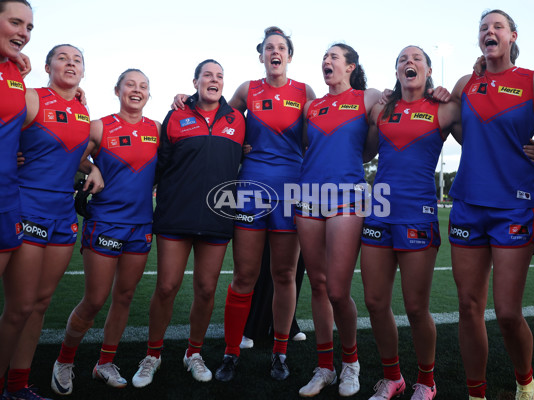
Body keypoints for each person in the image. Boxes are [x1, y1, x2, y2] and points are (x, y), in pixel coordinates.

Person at [447, 9, 534, 400]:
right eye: (483, 27)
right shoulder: (466, 83)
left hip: (514, 206)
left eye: (497, 26)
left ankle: (524, 378)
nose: (489, 31)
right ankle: (475, 392)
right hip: (467, 204)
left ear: (513, 35)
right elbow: (460, 131)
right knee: (468, 307)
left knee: (509, 313)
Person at [131, 59, 245, 388]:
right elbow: (159, 164)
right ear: (195, 82)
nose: (214, 80)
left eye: (220, 76)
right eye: (207, 75)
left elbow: (248, 155)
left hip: (218, 216)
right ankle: (153, 354)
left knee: (207, 289)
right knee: (166, 287)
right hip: (175, 214)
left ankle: (193, 353)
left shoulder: (238, 120)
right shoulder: (176, 115)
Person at [213, 26, 316, 383]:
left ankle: (280, 351)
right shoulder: (247, 89)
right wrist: (187, 98)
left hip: (291, 191)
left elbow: (317, 139)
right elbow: (219, 118)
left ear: (289, 56)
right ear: (261, 55)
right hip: (250, 191)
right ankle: (230, 351)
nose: (275, 52)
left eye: (281, 47)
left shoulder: (305, 92)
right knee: (245, 275)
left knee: (285, 274)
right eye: (269, 47)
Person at [50, 69, 160, 395]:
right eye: (130, 84)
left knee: (124, 296)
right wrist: (92, 166)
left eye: (143, 86)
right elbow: (72, 154)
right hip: (105, 223)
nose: (136, 90)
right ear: (118, 89)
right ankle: (64, 361)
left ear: (149, 94)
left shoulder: (156, 129)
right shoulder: (100, 125)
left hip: (141, 225)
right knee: (95, 299)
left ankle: (104, 363)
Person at [360, 45, 462, 400]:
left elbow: (483, 137)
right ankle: (393, 378)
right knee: (374, 301)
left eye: (417, 58)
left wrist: (529, 148)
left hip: (417, 215)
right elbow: (361, 146)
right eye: (402, 59)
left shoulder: (445, 107)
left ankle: (426, 381)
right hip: (379, 212)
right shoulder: (381, 109)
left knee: (416, 307)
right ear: (396, 70)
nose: (409, 62)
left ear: (429, 69)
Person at [2, 44, 102, 400]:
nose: (71, 64)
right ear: (47, 66)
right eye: (63, 58)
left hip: (63, 216)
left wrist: (93, 167)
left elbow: (68, 155)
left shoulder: (82, 110)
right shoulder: (31, 98)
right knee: (21, 305)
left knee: (41, 303)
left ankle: (18, 385)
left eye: (78, 60)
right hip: (27, 208)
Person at [295, 43, 382, 398]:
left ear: (351, 66)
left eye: (334, 57)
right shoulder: (310, 107)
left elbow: (372, 145)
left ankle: (351, 362)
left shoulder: (368, 96)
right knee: (317, 285)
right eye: (324, 57)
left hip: (348, 196)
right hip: (307, 196)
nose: (326, 61)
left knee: (336, 289)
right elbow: (305, 146)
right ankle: (325, 367)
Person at [0, 0, 33, 395]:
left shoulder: (14, 72)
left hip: (10, 197)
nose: (23, 32)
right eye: (15, 23)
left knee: (22, 306)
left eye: (28, 27)